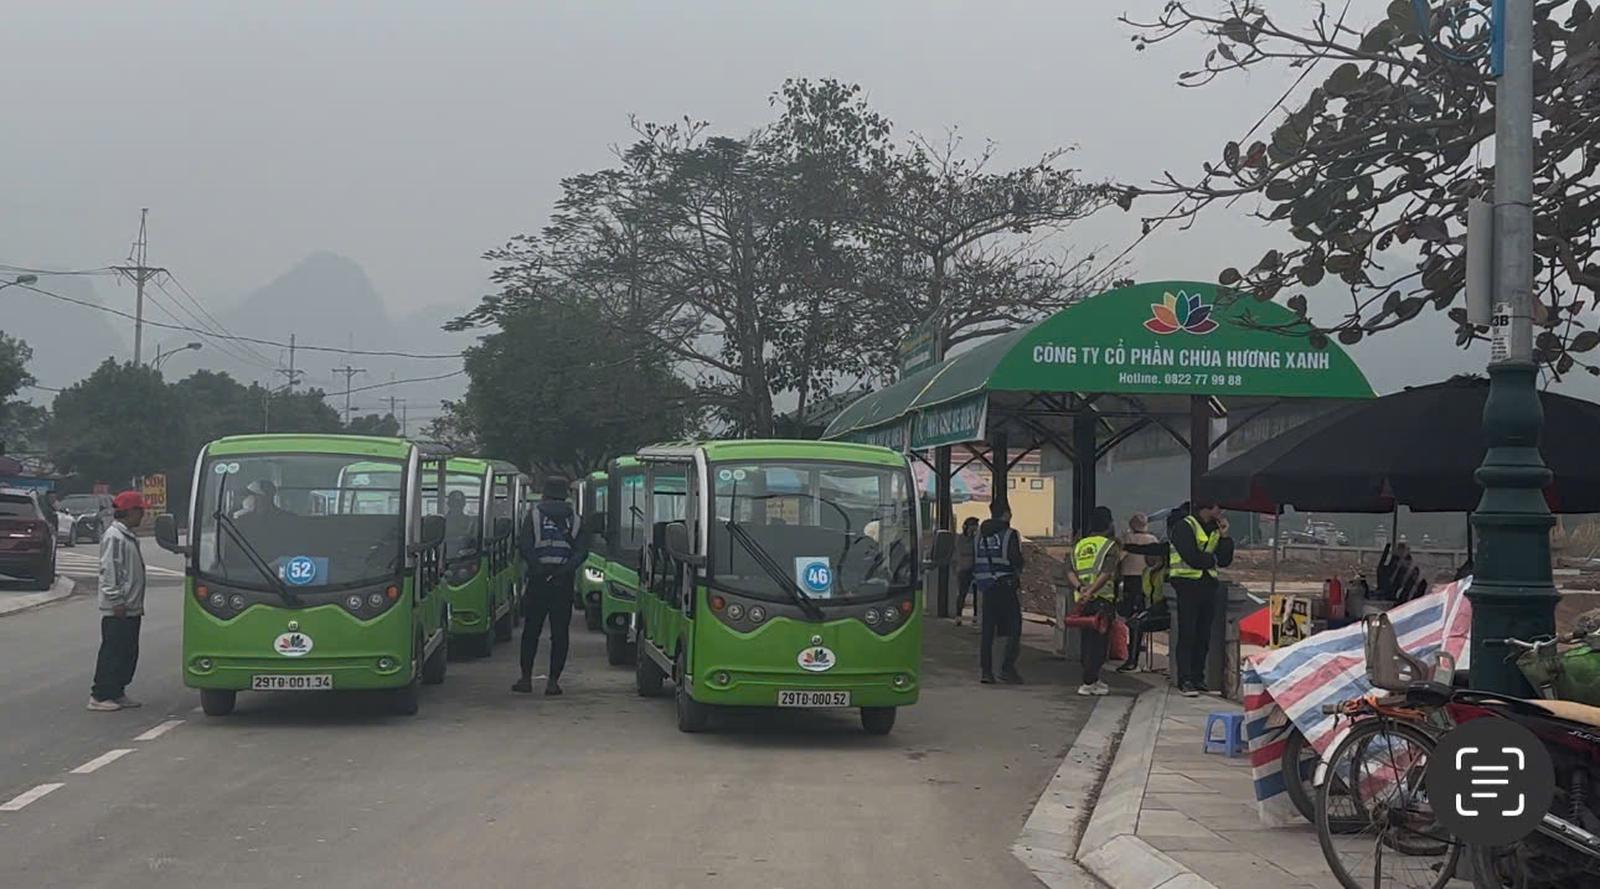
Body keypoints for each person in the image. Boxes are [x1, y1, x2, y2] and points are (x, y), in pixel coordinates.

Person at [513, 475, 586, 696]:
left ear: (544, 493)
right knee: (560, 634)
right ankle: (553, 682)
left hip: (538, 581)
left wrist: (538, 568)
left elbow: (524, 545)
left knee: (531, 632)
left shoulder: (533, 516)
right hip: (563, 583)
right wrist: (564, 571)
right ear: (566, 495)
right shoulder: (576, 520)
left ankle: (526, 679)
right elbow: (582, 552)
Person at [1168, 497, 1235, 697]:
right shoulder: (1184, 527)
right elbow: (1192, 558)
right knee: (1187, 632)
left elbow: (1224, 560)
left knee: (1203, 634)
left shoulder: (1215, 529)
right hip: (1187, 584)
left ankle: (1198, 677)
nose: (1221, 511)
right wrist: (1210, 559)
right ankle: (1185, 679)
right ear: (1208, 507)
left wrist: (1225, 537)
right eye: (1218, 507)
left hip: (1208, 585)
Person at [88, 491, 148, 712]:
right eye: (140, 511)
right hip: (119, 607)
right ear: (130, 511)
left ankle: (117, 691)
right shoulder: (114, 536)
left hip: (131, 606)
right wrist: (116, 599)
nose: (142, 515)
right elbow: (109, 570)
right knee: (113, 651)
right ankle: (100, 694)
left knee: (127, 652)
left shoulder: (127, 535)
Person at [1069, 507, 1120, 696]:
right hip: (1101, 599)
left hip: (1082, 601)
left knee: (1086, 640)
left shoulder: (1079, 545)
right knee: (1099, 642)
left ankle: (1092, 678)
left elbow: (1069, 571)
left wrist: (1080, 589)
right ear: (1109, 524)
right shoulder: (1109, 546)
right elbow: (1106, 573)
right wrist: (1091, 591)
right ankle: (1089, 681)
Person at [974, 501, 1025, 685]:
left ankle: (986, 672)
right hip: (1005, 585)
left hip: (986, 586)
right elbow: (1015, 559)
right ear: (1006, 513)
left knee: (988, 630)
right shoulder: (1010, 534)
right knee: (1014, 627)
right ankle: (1007, 668)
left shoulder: (979, 535)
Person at [953, 516, 980, 626]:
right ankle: (958, 615)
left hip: (976, 569)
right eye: (973, 526)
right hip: (964, 569)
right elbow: (963, 550)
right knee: (962, 592)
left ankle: (976, 615)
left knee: (977, 594)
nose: (975, 529)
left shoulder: (977, 539)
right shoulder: (960, 538)